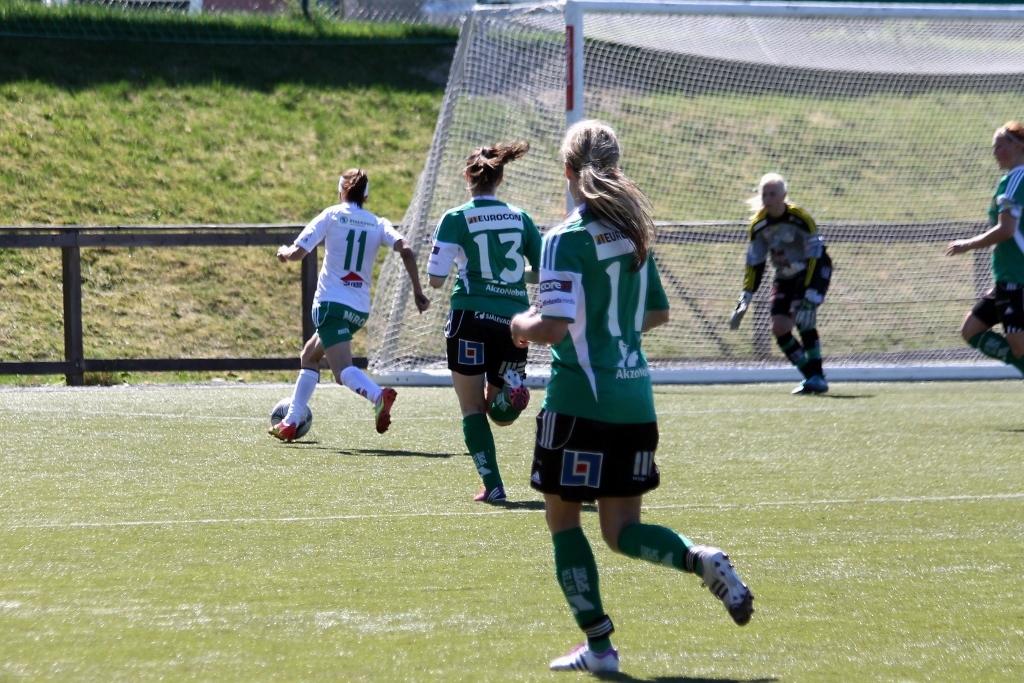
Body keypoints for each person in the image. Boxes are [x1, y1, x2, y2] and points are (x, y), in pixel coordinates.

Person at [510, 120, 754, 674]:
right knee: (621, 532)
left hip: (579, 403)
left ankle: (599, 648)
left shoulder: (563, 238)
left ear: (568, 171)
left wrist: (517, 325)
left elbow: (550, 328)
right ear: (615, 168)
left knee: (564, 524)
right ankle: (700, 558)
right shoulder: (634, 234)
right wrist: (610, 325)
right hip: (635, 401)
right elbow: (658, 312)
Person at [269, 168, 430, 441]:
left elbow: (298, 252)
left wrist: (284, 253)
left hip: (331, 304)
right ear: (366, 196)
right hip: (358, 310)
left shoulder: (331, 215)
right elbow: (405, 248)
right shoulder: (377, 223)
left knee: (342, 371)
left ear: (340, 191)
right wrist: (417, 290)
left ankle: (378, 395)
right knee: (309, 355)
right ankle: (291, 421)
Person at [427, 142, 542, 504]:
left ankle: (493, 486)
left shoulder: (455, 218)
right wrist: (513, 277)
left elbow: (435, 279)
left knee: (473, 408)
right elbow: (543, 271)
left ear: (467, 176)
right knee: (501, 415)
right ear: (500, 178)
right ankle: (512, 392)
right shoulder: (520, 217)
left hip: (470, 317)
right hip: (514, 320)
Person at [728, 173, 833, 394]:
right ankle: (812, 377)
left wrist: (810, 294)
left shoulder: (800, 218)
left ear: (784, 195)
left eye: (772, 194)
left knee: (801, 317)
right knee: (779, 328)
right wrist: (746, 296)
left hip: (811, 271)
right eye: (764, 194)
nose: (768, 198)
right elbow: (755, 263)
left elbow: (815, 257)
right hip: (785, 276)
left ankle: (818, 376)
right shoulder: (758, 225)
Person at [947, 121, 1024, 373]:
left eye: (999, 146)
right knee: (971, 330)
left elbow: (1006, 229)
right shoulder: (1011, 180)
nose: (994, 153)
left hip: (1018, 277)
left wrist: (968, 244)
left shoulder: (1017, 180)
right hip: (1007, 276)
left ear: (1017, 147)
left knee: (1019, 347)